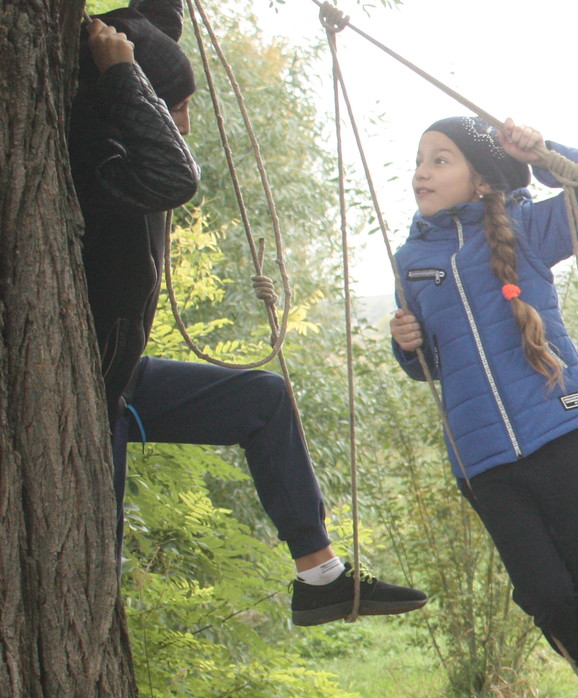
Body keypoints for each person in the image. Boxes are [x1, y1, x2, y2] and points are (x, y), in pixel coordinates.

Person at [71, 2, 425, 626]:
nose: (184, 123)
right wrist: (126, 76)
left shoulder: (123, 138)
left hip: (120, 374)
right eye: (173, 107)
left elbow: (156, 26)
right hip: (89, 389)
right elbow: (176, 176)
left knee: (264, 398)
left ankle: (321, 579)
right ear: (128, 99)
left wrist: (139, 59)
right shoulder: (99, 158)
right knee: (96, 567)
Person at [388, 117, 578, 698]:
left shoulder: (527, 228)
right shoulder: (412, 261)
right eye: (420, 160)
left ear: (482, 179)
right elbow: (430, 367)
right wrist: (407, 348)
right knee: (544, 592)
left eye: (440, 159)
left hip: (560, 427)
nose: (422, 172)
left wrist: (542, 155)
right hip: (481, 457)